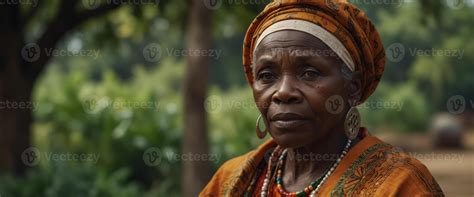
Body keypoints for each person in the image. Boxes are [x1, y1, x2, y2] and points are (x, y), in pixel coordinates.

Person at [201, 0, 444, 196]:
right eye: (267, 75)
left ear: (353, 88)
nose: (283, 92)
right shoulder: (229, 181)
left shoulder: (398, 185)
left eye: (309, 73)